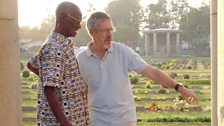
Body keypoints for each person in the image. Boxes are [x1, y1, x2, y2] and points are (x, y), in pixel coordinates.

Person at [77, 12, 200, 126]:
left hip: (125, 120)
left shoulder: (123, 52)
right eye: (105, 30)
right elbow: (79, 93)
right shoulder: (81, 60)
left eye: (111, 29)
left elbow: (151, 72)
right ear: (92, 32)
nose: (110, 35)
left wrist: (179, 87)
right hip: (97, 122)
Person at [27, 2, 90, 126]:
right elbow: (49, 90)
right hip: (62, 121)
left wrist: (58, 81)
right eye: (77, 20)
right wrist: (66, 123)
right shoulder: (54, 47)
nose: (79, 25)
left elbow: (31, 64)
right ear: (62, 18)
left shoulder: (60, 44)